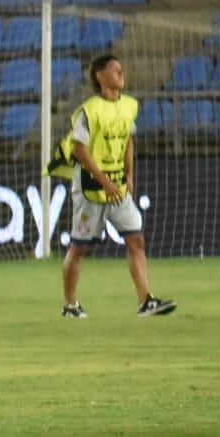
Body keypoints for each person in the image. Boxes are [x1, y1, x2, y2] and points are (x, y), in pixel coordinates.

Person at [56, 53, 175, 318]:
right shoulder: (89, 111)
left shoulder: (129, 106)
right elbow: (79, 150)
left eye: (121, 69)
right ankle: (70, 305)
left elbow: (128, 140)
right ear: (100, 76)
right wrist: (104, 181)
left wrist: (129, 175)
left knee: (136, 239)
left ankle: (146, 300)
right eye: (115, 70)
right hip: (91, 188)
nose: (121, 73)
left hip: (118, 186)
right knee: (79, 248)